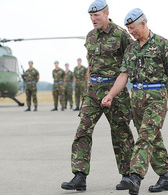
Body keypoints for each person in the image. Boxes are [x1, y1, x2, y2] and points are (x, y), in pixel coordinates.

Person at [102, 8, 168, 195]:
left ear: (144, 24)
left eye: (133, 28)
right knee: (152, 137)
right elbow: (124, 75)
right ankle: (165, 177)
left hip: (156, 97)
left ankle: (135, 177)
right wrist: (111, 94)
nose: (131, 31)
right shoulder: (131, 48)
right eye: (128, 28)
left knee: (145, 137)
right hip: (137, 99)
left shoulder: (162, 44)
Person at [61, 0, 134, 191]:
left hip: (115, 91)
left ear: (106, 13)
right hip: (93, 92)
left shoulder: (120, 34)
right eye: (91, 16)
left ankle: (128, 175)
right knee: (83, 130)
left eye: (97, 15)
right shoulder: (90, 36)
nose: (93, 19)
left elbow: (133, 59)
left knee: (121, 133)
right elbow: (91, 63)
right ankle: (79, 175)